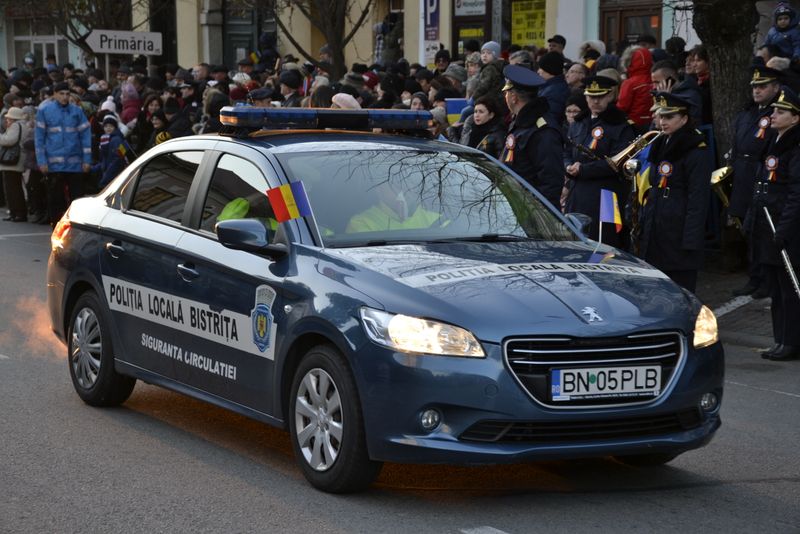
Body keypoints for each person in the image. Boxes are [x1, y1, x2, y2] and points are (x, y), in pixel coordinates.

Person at [744, 86, 800, 361]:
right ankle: (780, 339)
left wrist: (784, 229)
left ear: (795, 118)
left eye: (781, 111)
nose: (773, 115)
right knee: (776, 289)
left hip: (786, 228)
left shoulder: (795, 147)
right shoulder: (773, 142)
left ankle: (791, 341)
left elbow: (796, 193)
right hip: (767, 224)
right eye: (774, 110)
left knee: (789, 289)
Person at [637, 92, 712, 293]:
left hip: (678, 231)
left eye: (669, 117)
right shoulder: (661, 143)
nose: (663, 122)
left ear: (684, 119)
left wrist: (690, 240)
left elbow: (698, 199)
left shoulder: (695, 149)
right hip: (657, 226)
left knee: (681, 290)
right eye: (661, 116)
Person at [729, 67, 782, 298]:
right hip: (743, 173)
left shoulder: (776, 113)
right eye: (755, 87)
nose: (757, 91)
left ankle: (766, 281)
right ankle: (754, 278)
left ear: (775, 87)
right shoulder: (748, 113)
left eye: (763, 86)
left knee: (763, 230)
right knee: (749, 230)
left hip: (762, 172)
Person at [564, 76, 636, 246]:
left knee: (605, 242)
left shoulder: (621, 125)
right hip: (577, 192)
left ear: (610, 96)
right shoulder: (579, 122)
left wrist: (583, 169)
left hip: (607, 194)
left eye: (600, 96)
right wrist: (568, 165)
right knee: (575, 239)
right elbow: (566, 150)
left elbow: (618, 163)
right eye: (591, 96)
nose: (595, 101)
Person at [500, 65, 564, 208]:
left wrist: (537, 213)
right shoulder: (522, 123)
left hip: (531, 210)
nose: (505, 97)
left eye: (506, 93)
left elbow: (550, 181)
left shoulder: (543, 130)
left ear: (513, 97)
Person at [35, 81, 92, 225]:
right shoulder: (44, 111)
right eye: (61, 94)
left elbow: (85, 136)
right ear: (54, 94)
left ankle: (76, 227)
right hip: (54, 166)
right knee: (55, 201)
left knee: (77, 201)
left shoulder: (77, 111)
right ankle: (57, 228)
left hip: (75, 165)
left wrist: (87, 160)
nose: (65, 97)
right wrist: (42, 162)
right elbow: (39, 139)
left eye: (67, 94)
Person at [345, 179, 442, 233]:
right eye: (395, 185)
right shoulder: (361, 222)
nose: (403, 190)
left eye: (407, 183)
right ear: (379, 190)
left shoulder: (436, 219)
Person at [0, 107, 30, 222]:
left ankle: (18, 213)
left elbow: (9, 140)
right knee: (14, 187)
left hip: (12, 162)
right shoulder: (23, 125)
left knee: (12, 188)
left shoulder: (16, 126)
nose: (7, 120)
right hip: (16, 161)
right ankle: (15, 212)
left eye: (8, 118)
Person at [618, 46, 653, 130]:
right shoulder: (655, 79)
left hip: (634, 124)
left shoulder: (630, 83)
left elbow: (622, 106)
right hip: (654, 122)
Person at [92, 116, 131, 189]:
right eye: (106, 126)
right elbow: (104, 159)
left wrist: (106, 177)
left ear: (115, 127)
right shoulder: (105, 139)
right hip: (108, 172)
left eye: (111, 126)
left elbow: (119, 159)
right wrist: (93, 168)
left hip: (114, 174)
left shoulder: (117, 139)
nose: (108, 128)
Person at [537, 51, 570, 124]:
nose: (538, 71)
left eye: (541, 68)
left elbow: (550, 119)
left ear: (549, 69)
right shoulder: (550, 87)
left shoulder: (554, 92)